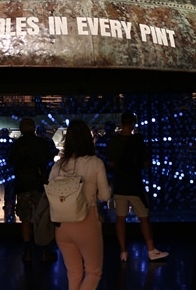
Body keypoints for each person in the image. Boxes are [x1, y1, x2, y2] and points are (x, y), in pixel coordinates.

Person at [48, 119, 111, 290]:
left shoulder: (58, 165)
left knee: (74, 273)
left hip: (61, 226)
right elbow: (105, 196)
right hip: (86, 221)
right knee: (93, 272)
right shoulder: (95, 163)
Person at [107, 111, 169, 262]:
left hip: (120, 184)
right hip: (135, 184)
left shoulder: (114, 142)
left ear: (121, 123)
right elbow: (146, 162)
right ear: (133, 123)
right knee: (144, 218)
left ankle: (123, 252)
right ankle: (151, 250)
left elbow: (111, 163)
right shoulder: (138, 141)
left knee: (120, 218)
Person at [8, 118, 57, 262]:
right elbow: (48, 159)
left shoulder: (16, 145)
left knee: (25, 219)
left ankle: (27, 250)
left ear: (21, 129)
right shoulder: (41, 143)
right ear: (34, 128)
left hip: (22, 185)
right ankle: (44, 249)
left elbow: (11, 162)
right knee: (41, 217)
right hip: (39, 185)